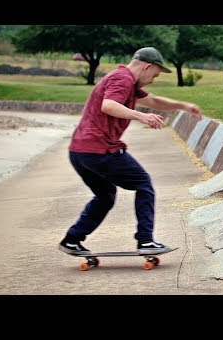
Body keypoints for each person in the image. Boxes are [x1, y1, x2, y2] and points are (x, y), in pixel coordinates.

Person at [58, 47, 202, 255]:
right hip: (99, 149)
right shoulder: (123, 79)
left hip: (80, 152)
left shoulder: (127, 82)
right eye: (155, 74)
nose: (153, 79)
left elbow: (152, 101)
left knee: (105, 195)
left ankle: (72, 239)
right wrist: (141, 116)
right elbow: (108, 105)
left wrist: (183, 105)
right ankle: (145, 241)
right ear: (147, 66)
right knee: (143, 183)